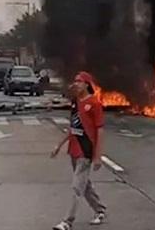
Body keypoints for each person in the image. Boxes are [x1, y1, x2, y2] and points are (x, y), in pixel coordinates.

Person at [51, 72, 107, 230]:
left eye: (79, 81)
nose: (76, 84)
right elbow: (73, 127)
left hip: (86, 151)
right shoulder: (75, 102)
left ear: (87, 84)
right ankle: (99, 210)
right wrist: (59, 145)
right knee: (84, 184)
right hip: (74, 150)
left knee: (76, 186)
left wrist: (98, 156)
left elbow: (99, 131)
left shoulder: (94, 103)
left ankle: (67, 222)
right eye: (75, 81)